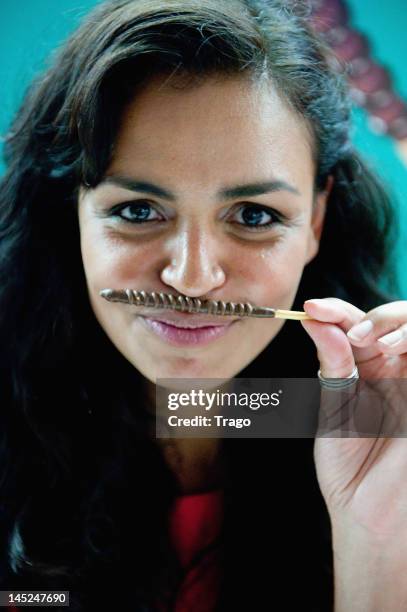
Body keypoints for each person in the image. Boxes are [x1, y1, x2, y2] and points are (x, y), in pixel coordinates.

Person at [0, 0, 406, 610]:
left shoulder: (366, 431)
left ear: (316, 219)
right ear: (73, 212)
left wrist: (375, 542)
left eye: (253, 216)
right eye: (137, 211)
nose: (192, 278)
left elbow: (201, 411)